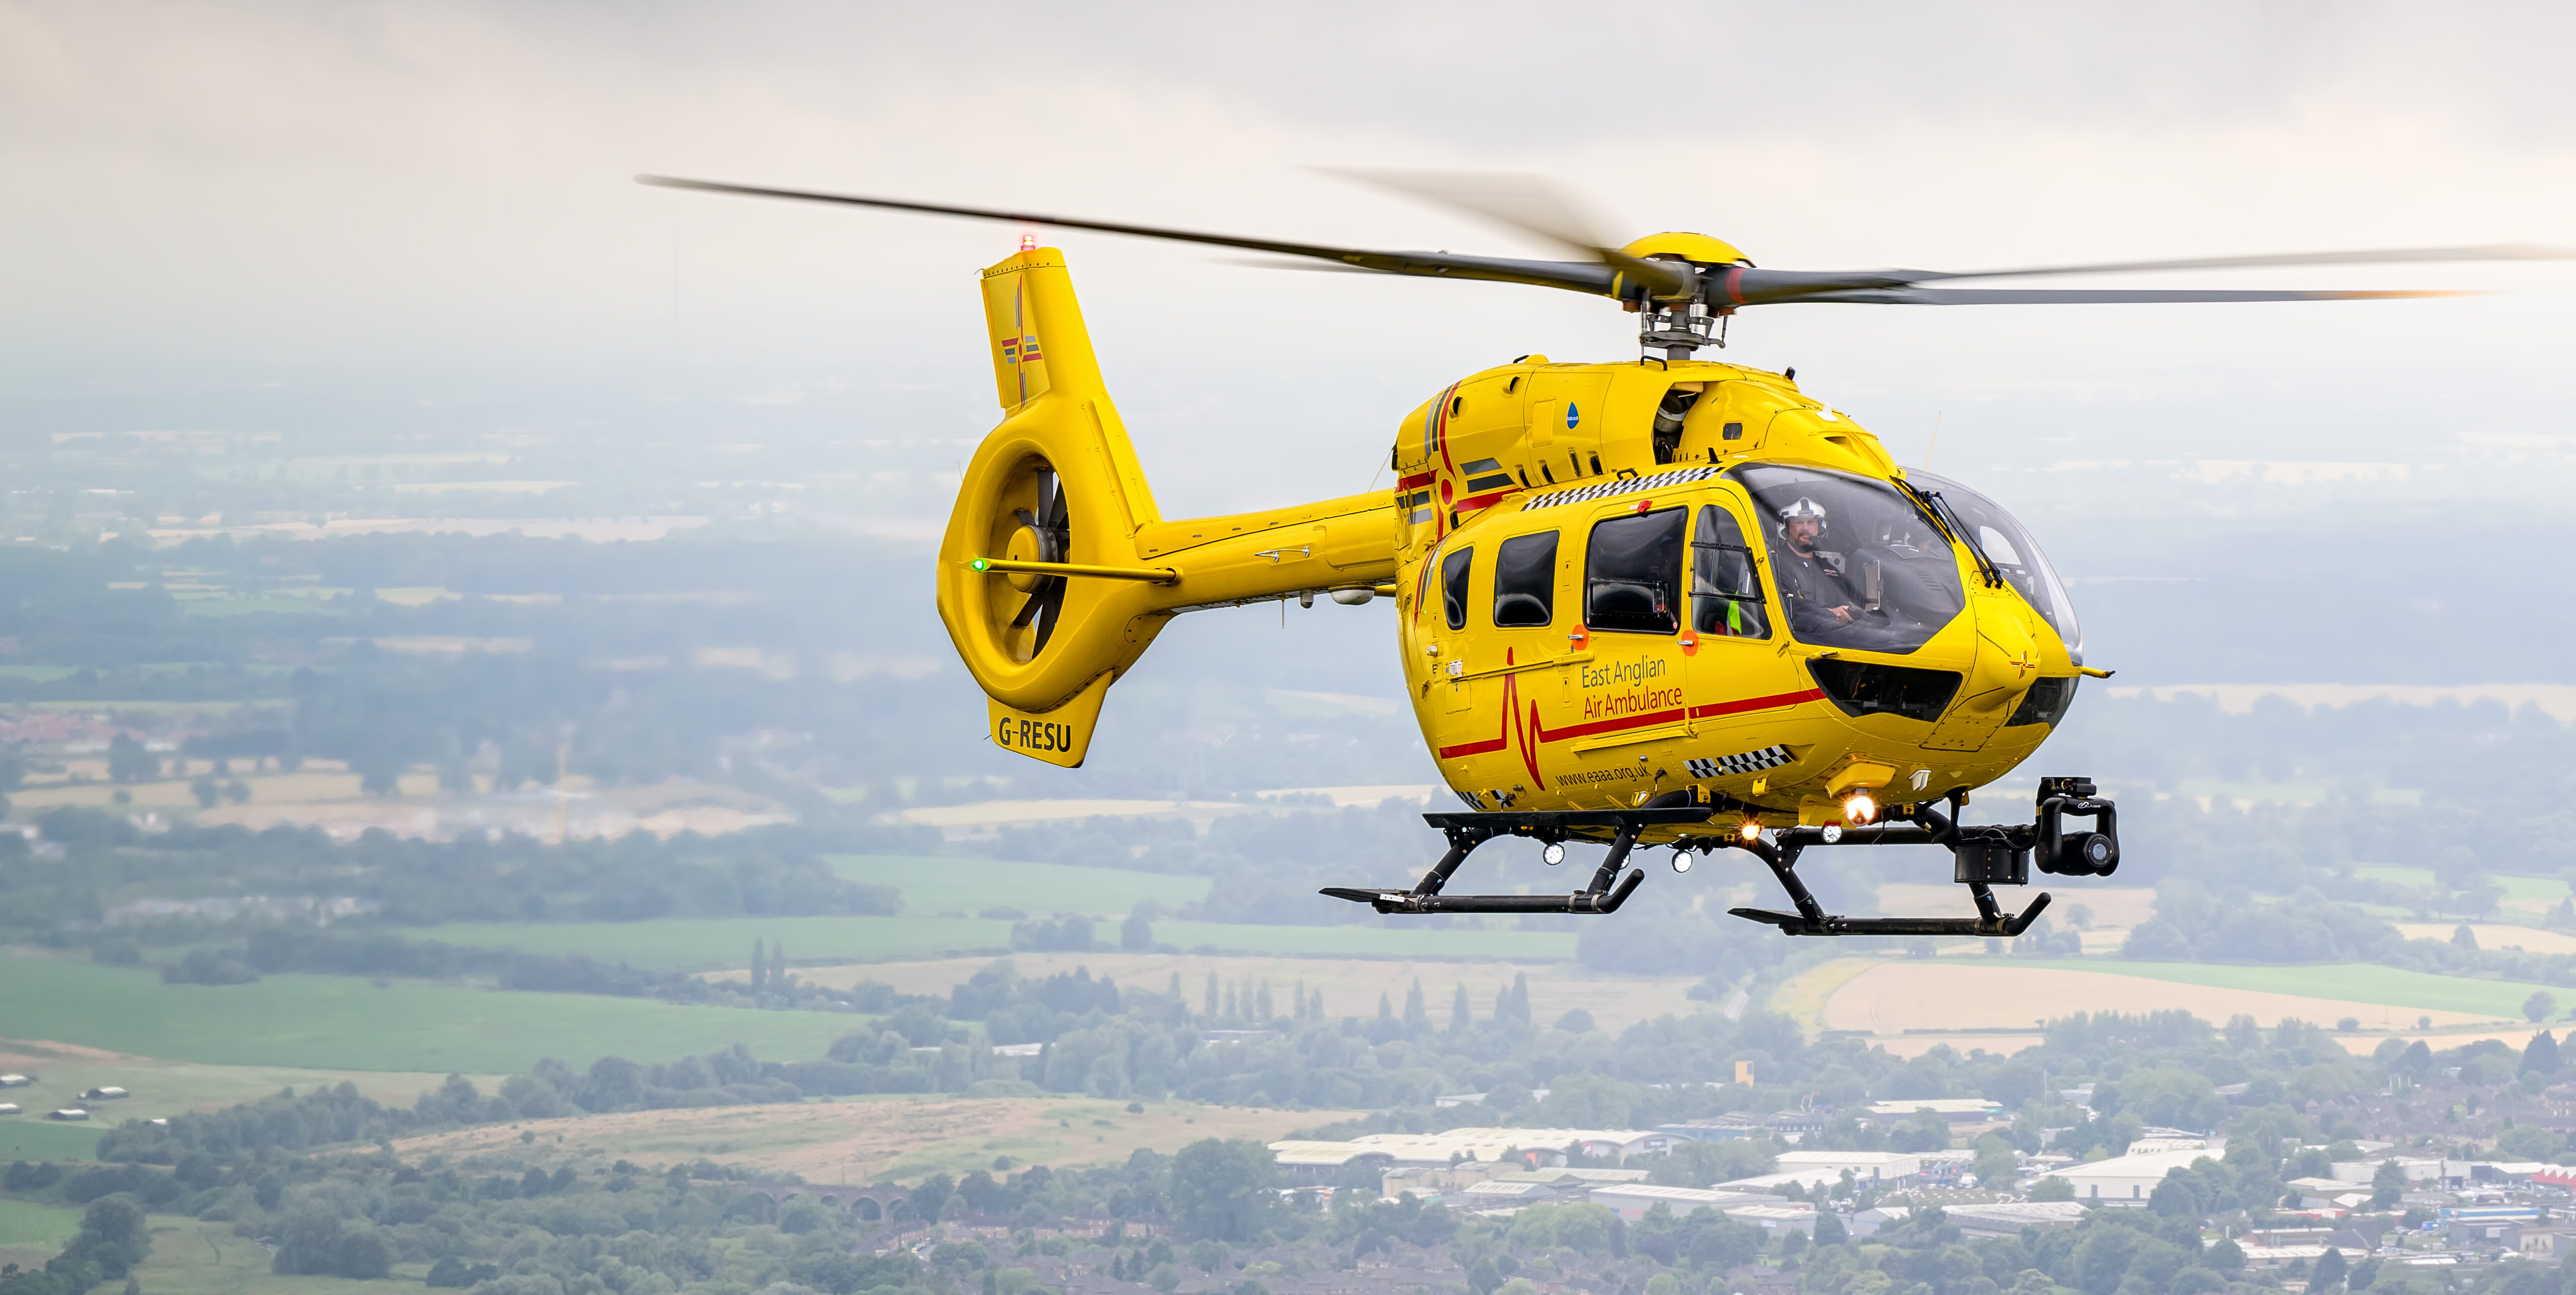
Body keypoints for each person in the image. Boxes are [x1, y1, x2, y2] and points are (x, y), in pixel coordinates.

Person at [1770, 497, 1863, 635]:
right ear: (1788, 527)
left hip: (1835, 640)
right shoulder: (1775, 564)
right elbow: (1790, 610)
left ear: (1819, 526)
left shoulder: (1830, 571)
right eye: (1799, 522)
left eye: (1811, 522)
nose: (1806, 528)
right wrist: (1830, 615)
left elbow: (1846, 605)